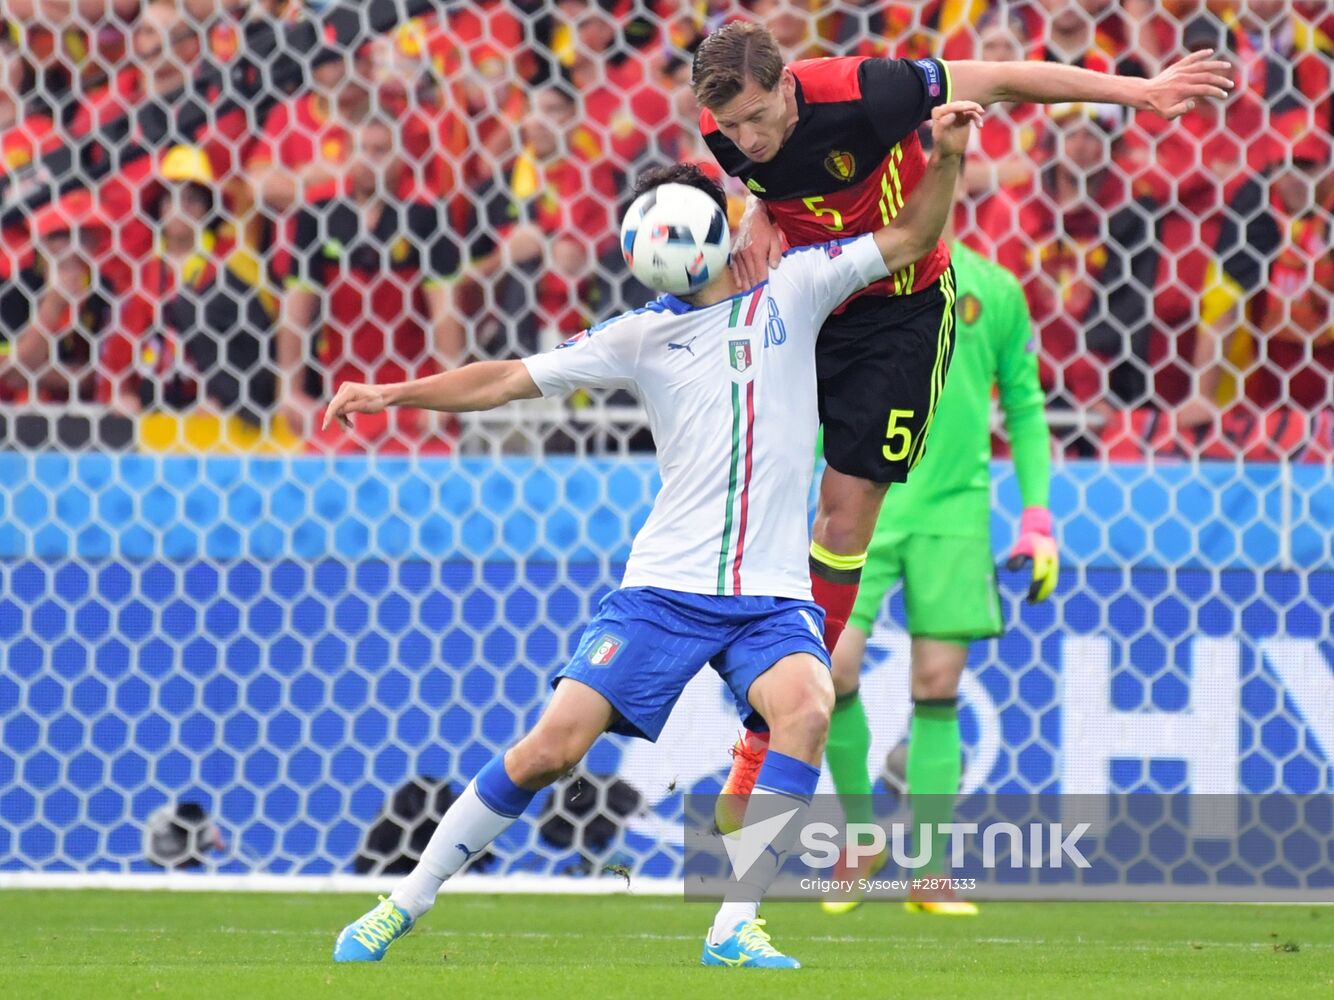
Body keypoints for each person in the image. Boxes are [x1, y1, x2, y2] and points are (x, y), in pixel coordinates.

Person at [324, 100, 982, 972]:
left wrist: (944, 157)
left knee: (808, 710)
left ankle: (735, 926)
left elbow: (908, 240)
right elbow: (507, 380)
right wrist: (394, 393)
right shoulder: (640, 336)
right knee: (548, 751)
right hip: (664, 590)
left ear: (706, 232)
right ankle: (401, 902)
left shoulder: (799, 286)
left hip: (769, 597)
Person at [689, 19, 1230, 810]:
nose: (744, 137)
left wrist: (1140, 94)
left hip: (896, 313)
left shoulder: (870, 91)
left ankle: (766, 736)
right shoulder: (721, 127)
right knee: (750, 483)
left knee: (843, 522)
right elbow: (770, 190)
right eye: (730, 127)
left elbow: (1006, 77)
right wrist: (757, 222)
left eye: (755, 119)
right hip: (808, 292)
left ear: (787, 87)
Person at [820, 165, 1054, 917]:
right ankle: (861, 841)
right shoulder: (862, 276)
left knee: (936, 689)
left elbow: (1023, 404)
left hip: (955, 512)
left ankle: (931, 873)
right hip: (865, 505)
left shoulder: (998, 291)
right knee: (831, 672)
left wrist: (1037, 515)